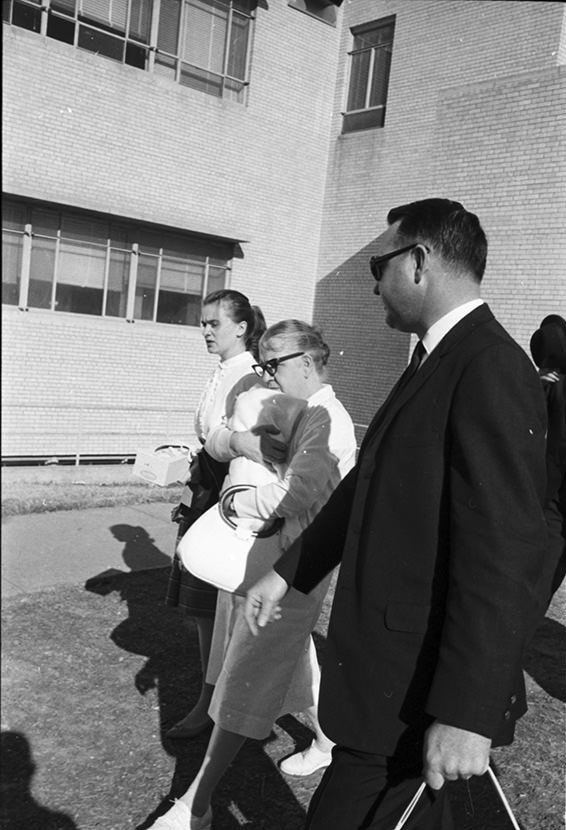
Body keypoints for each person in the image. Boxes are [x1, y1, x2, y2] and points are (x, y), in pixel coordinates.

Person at [245, 199, 549, 829]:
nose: (374, 282)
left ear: (419, 261)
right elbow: (367, 486)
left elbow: (506, 552)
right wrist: (290, 571)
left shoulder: (488, 367)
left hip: (420, 693)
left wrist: (468, 711)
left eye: (378, 265)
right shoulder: (432, 360)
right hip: (388, 685)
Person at [150, 320, 356, 829]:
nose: (266, 375)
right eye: (262, 363)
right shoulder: (282, 405)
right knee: (289, 659)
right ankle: (329, 741)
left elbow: (301, 499)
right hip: (258, 562)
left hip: (294, 567)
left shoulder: (332, 419)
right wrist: (245, 442)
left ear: (307, 362)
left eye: (275, 363)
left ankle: (195, 805)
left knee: (247, 674)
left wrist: (237, 500)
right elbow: (218, 437)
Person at [165, 289, 266, 739]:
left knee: (214, 610)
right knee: (204, 612)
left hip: (223, 501)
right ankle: (214, 698)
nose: (205, 331)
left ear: (241, 328)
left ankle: (213, 704)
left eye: (214, 324)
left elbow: (234, 444)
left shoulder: (247, 377)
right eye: (203, 323)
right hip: (204, 490)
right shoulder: (224, 371)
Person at [530, 314, 566, 599]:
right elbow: (527, 417)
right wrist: (536, 383)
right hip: (555, 494)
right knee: (546, 572)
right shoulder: (554, 382)